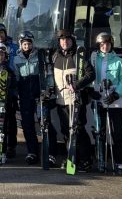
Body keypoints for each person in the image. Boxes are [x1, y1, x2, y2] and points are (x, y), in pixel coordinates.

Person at [50, 29, 95, 171]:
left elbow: (91, 74)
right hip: (61, 100)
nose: (65, 42)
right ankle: (71, 156)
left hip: (76, 100)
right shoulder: (55, 56)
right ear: (59, 42)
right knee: (65, 130)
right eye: (62, 40)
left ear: (72, 41)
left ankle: (86, 159)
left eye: (68, 40)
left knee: (78, 129)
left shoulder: (78, 56)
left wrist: (77, 85)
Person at [89, 32, 122, 175]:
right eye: (102, 44)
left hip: (115, 101)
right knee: (99, 132)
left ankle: (121, 162)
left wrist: (115, 94)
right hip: (99, 99)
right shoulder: (94, 59)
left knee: (117, 132)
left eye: (107, 44)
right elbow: (89, 75)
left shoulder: (119, 61)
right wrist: (91, 91)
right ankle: (101, 160)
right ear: (98, 45)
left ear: (111, 44)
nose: (105, 46)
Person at [12, 31, 41, 164]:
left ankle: (48, 151)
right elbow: (16, 77)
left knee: (45, 124)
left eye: (29, 43)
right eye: (24, 44)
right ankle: (32, 152)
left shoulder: (39, 56)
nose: (26, 46)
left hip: (38, 94)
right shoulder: (17, 59)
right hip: (24, 95)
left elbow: (43, 74)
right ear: (20, 45)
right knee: (28, 124)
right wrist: (16, 93)